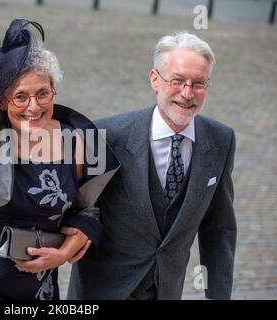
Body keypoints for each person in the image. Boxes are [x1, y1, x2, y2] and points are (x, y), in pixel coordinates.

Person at [0, 19, 118, 300]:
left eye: (43, 93)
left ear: (54, 90)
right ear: (2, 102)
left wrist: (68, 248)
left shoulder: (77, 138)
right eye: (20, 97)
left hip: (36, 285)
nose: (34, 106)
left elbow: (86, 207)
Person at [68, 31, 237, 300]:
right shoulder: (105, 135)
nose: (187, 93)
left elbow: (218, 228)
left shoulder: (221, 140)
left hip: (167, 290)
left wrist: (217, 294)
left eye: (199, 83)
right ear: (155, 80)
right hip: (102, 290)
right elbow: (77, 208)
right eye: (178, 81)